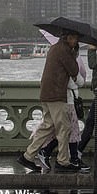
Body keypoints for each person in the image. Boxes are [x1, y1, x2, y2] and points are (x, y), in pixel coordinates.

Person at [17, 31, 80, 172]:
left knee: (47, 126)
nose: (75, 41)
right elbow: (74, 70)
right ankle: (62, 161)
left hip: (46, 93)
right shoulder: (64, 50)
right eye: (74, 38)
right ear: (67, 37)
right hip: (57, 94)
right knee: (64, 128)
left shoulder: (54, 48)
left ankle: (28, 156)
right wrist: (74, 53)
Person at [36, 45, 88, 171]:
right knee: (69, 131)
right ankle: (70, 158)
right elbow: (77, 83)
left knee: (65, 131)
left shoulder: (59, 62)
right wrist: (77, 79)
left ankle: (50, 153)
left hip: (65, 100)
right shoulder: (67, 65)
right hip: (67, 101)